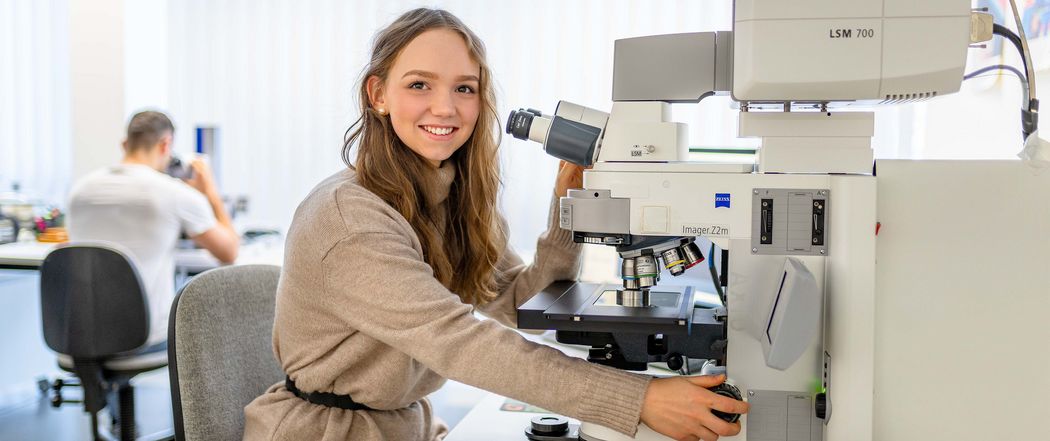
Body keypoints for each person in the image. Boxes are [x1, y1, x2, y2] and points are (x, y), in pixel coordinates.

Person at [243, 8, 748, 441]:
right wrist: (637, 398)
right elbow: (458, 340)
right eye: (419, 84)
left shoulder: (448, 201)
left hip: (407, 424)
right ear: (378, 93)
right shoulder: (350, 217)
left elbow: (518, 299)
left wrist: (566, 202)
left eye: (464, 88)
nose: (445, 108)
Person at [67, 110, 240, 348]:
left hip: (78, 333)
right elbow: (229, 252)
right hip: (143, 335)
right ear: (166, 144)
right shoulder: (174, 193)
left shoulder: (80, 190)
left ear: (125, 144)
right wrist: (210, 190)